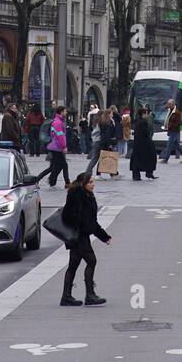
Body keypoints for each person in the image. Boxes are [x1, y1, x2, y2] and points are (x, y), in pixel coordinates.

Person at [60, 171, 111, 307]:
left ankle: (66, 297)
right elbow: (68, 215)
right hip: (78, 236)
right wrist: (82, 224)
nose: (93, 185)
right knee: (91, 261)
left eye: (93, 182)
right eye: (90, 182)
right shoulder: (76, 195)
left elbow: (92, 221)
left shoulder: (88, 195)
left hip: (81, 236)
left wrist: (103, 236)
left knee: (73, 265)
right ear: (83, 183)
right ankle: (90, 295)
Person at [36, 105, 70, 188]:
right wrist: (64, 146)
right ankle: (67, 183)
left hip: (55, 147)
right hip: (56, 147)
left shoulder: (57, 121)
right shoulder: (58, 122)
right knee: (61, 166)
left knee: (56, 166)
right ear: (61, 112)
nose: (66, 113)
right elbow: (60, 136)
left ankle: (52, 180)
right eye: (65, 111)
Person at [85, 108, 119, 177]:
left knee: (103, 157)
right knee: (97, 158)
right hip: (99, 141)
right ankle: (89, 173)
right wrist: (108, 143)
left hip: (97, 141)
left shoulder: (99, 121)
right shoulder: (103, 122)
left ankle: (113, 173)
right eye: (111, 113)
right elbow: (105, 134)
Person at [130, 106, 157, 181]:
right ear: (143, 114)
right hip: (143, 144)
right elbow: (146, 133)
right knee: (149, 158)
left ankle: (137, 175)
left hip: (138, 145)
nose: (148, 115)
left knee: (137, 161)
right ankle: (148, 173)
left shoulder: (138, 122)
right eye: (147, 113)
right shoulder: (143, 122)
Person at [161, 98, 182, 163]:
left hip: (174, 131)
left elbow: (178, 123)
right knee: (177, 145)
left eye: (169, 104)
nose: (168, 105)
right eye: (168, 104)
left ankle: (166, 159)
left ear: (173, 104)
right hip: (170, 130)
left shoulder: (177, 112)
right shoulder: (170, 110)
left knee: (169, 145)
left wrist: (169, 126)